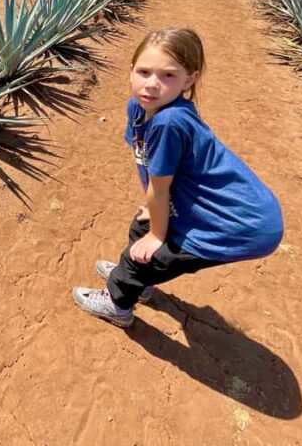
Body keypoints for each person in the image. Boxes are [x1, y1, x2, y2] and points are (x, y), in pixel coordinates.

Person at [72, 28, 283, 328]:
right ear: (131, 69)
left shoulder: (169, 121)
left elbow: (160, 189)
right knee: (143, 225)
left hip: (240, 225)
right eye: (144, 72)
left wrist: (158, 234)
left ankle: (119, 304)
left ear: (190, 79)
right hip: (222, 210)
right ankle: (138, 282)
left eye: (168, 76)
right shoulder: (139, 108)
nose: (152, 84)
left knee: (149, 255)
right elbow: (147, 165)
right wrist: (153, 213)